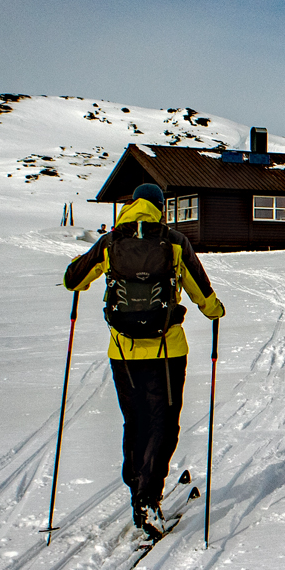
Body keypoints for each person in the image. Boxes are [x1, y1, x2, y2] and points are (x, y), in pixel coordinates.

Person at [64, 183, 225, 537]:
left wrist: (80, 268)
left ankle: (137, 487)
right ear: (160, 209)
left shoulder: (110, 242)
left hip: (123, 353)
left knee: (135, 421)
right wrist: (216, 311)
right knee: (162, 423)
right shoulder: (175, 242)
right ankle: (148, 497)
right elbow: (202, 292)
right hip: (167, 352)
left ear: (132, 205)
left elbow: (72, 280)